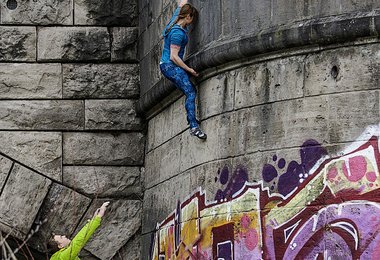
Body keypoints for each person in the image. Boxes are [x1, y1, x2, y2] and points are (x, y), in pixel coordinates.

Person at [160, 0, 207, 140]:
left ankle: (192, 122)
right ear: (188, 17)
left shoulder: (175, 18)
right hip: (170, 66)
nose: (192, 22)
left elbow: (181, 3)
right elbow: (174, 57)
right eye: (192, 18)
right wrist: (190, 70)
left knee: (190, 90)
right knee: (190, 91)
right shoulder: (178, 33)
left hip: (168, 64)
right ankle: (193, 127)